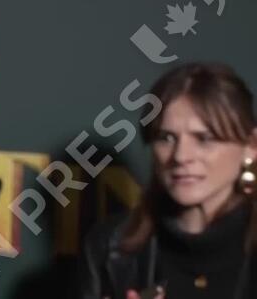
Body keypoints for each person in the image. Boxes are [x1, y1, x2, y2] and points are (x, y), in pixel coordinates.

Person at [78, 63, 257, 299]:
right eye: (167, 138)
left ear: (251, 146)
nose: (181, 156)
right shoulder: (109, 247)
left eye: (204, 139)